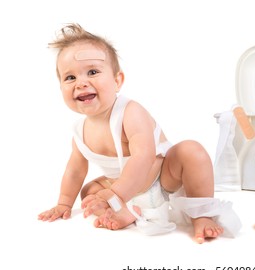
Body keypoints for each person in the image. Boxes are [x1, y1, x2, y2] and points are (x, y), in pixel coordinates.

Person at [38, 23, 241, 243]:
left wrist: (116, 196)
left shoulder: (130, 112)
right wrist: (64, 203)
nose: (81, 83)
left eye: (93, 72)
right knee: (88, 193)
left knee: (192, 151)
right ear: (60, 88)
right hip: (121, 187)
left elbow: (143, 156)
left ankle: (201, 216)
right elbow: (75, 171)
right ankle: (130, 211)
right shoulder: (80, 133)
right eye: (70, 78)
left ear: (117, 81)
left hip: (162, 177)